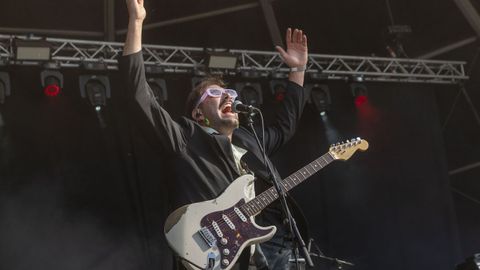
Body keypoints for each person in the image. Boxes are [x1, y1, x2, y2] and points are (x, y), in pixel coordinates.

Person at [120, 0, 309, 269]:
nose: (228, 97)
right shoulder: (186, 137)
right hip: (207, 259)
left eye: (230, 93)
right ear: (198, 114)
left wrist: (297, 71)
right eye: (215, 94)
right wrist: (136, 22)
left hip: (252, 260)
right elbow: (139, 96)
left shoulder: (248, 141)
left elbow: (284, 127)